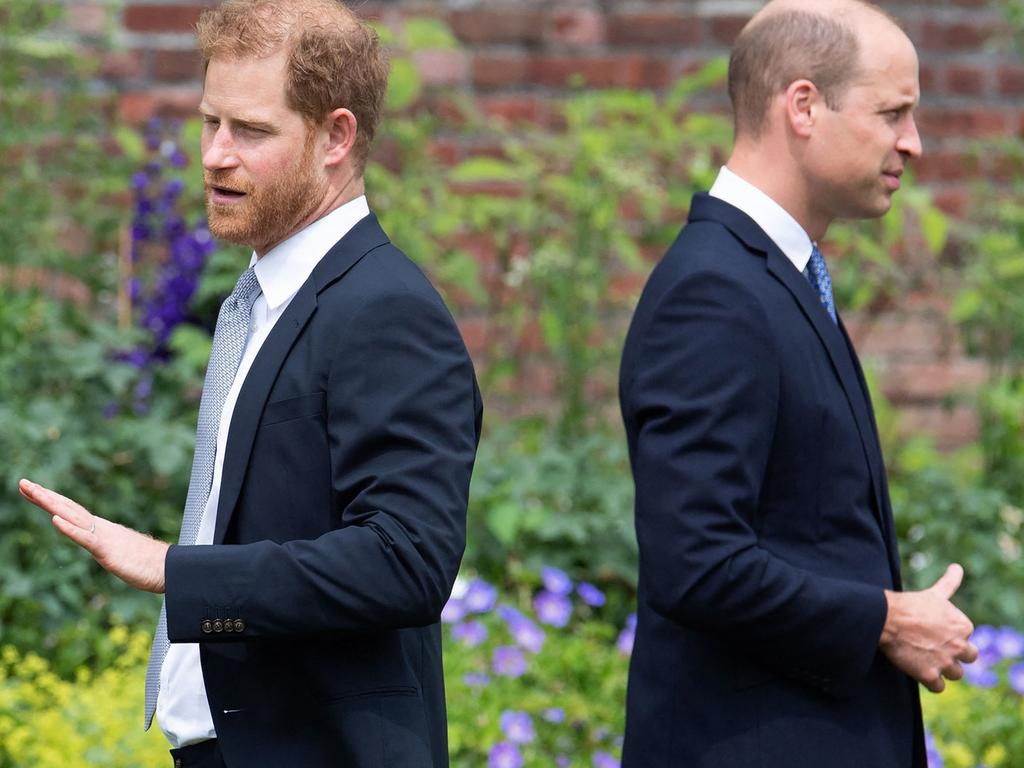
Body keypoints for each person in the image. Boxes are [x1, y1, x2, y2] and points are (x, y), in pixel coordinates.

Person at [19, 1, 482, 766]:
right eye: (210, 123)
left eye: (252, 131)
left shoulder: (385, 309)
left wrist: (177, 571)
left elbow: (407, 561)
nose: (215, 155)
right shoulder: (263, 299)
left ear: (337, 136)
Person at [618, 1, 978, 766]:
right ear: (804, 106)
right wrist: (885, 619)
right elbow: (698, 562)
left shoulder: (774, 278)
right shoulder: (714, 294)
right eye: (893, 113)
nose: (913, 144)